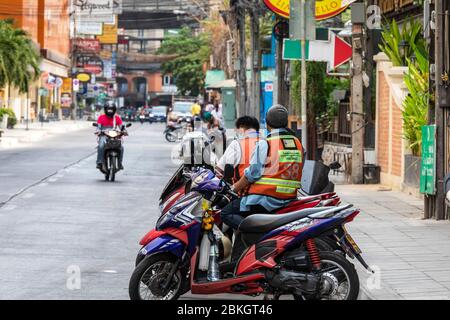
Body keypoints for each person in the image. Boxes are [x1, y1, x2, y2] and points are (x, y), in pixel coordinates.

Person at [220, 105, 304, 232]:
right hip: (289, 198)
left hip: (265, 199)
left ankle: (256, 235)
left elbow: (253, 174)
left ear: (267, 124)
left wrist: (234, 187)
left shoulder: (266, 143)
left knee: (226, 213)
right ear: (285, 122)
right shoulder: (298, 143)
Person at [215, 116, 260, 188]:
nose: (236, 132)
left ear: (242, 128)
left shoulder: (237, 144)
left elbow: (219, 170)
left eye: (237, 129)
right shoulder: (268, 143)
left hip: (243, 193)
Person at [96, 101, 125, 171]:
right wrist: (98, 131)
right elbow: (98, 127)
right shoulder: (101, 117)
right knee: (101, 146)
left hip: (114, 136)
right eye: (108, 109)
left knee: (121, 147)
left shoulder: (117, 118)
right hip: (103, 135)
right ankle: (99, 162)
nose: (110, 111)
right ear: (105, 109)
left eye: (111, 109)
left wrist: (124, 131)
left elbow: (121, 127)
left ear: (114, 109)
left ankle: (120, 163)